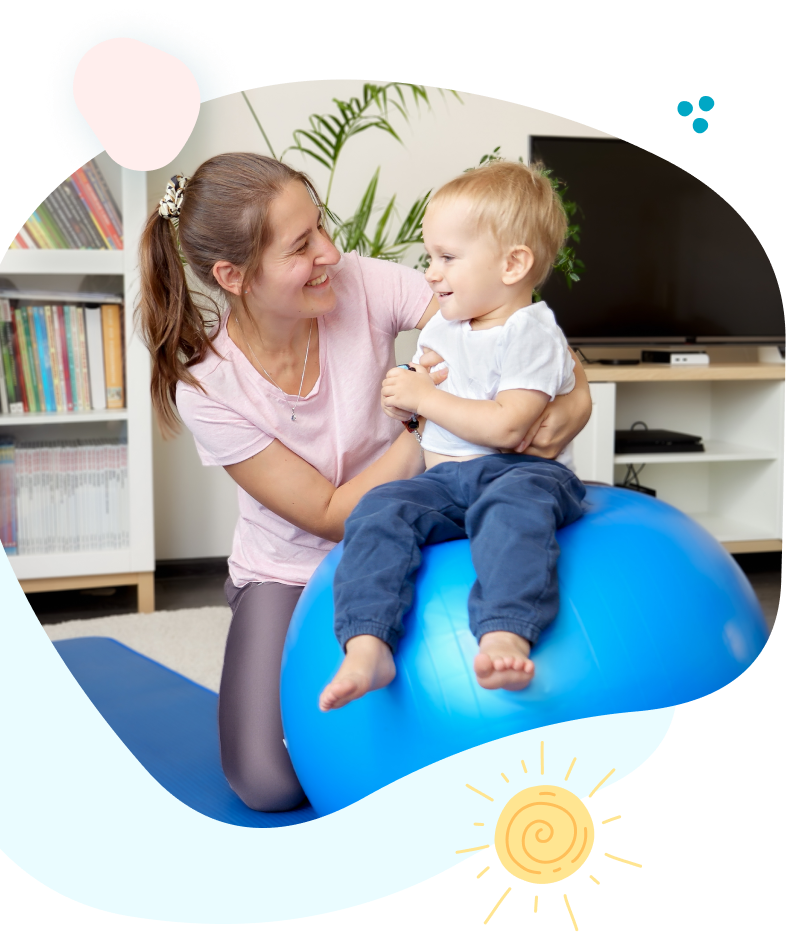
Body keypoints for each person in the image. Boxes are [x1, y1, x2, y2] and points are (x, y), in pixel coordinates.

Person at [137, 152, 593, 812]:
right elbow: (326, 512)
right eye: (302, 246)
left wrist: (574, 399)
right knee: (268, 783)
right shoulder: (211, 385)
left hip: (422, 528)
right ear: (234, 276)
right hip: (293, 568)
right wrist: (431, 427)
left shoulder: (361, 283)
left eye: (321, 226)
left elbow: (508, 317)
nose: (331, 251)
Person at [319, 159, 587, 713]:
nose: (431, 274)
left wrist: (427, 398)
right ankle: (368, 642)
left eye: (446, 258)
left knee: (513, 512)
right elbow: (423, 410)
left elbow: (511, 428)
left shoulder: (530, 331)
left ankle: (506, 630)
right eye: (429, 257)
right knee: (379, 508)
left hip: (521, 474)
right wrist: (406, 405)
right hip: (444, 480)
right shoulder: (445, 322)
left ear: (513, 264)